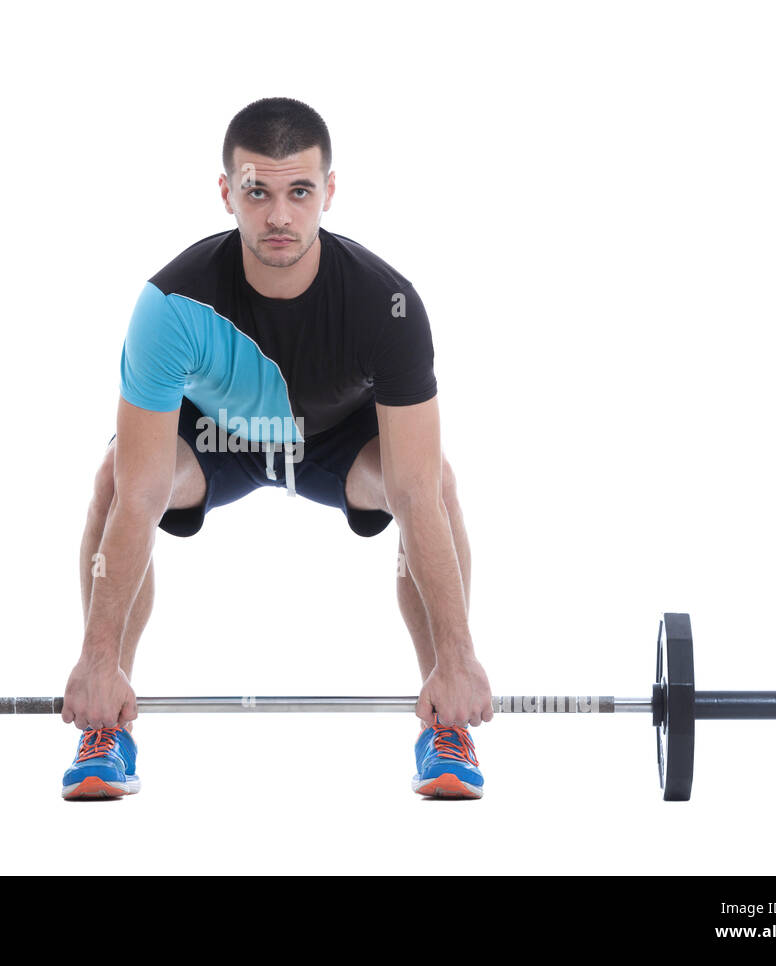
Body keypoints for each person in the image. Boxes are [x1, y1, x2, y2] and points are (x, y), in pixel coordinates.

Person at [60, 97, 493, 800]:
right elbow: (142, 490)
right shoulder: (172, 305)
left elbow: (411, 492)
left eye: (299, 192)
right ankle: (105, 720)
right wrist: (93, 658)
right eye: (258, 192)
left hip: (333, 447)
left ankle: (447, 714)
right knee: (114, 477)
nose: (280, 216)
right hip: (216, 442)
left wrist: (463, 657)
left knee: (434, 483)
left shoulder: (389, 305)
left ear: (329, 192)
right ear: (228, 192)